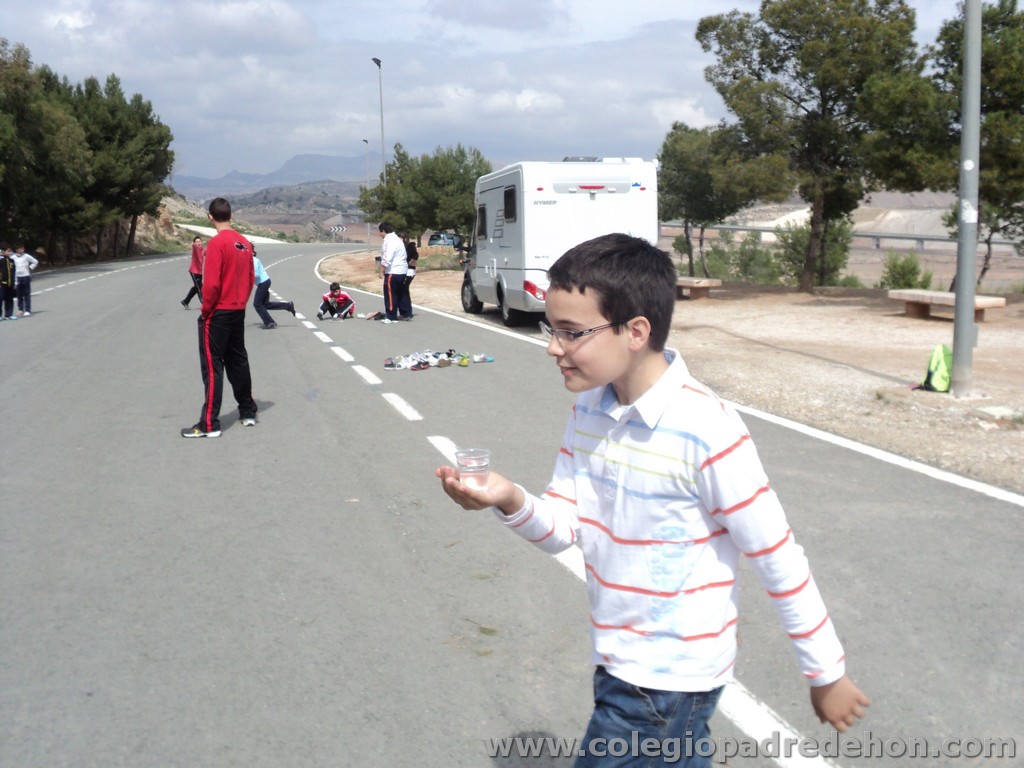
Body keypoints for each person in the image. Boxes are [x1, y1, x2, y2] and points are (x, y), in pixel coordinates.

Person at [435, 233, 869, 768]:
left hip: (667, 682)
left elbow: (777, 555)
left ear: (636, 331)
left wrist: (826, 673)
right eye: (553, 329)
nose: (552, 347)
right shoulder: (590, 411)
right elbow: (564, 528)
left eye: (571, 332)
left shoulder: (706, 429)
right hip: (618, 660)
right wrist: (507, 498)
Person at [181, 198, 258, 438]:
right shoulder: (244, 243)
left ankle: (209, 423)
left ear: (210, 217)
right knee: (238, 360)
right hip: (238, 309)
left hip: (218, 312)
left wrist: (206, 311)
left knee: (213, 365)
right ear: (231, 215)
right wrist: (240, 302)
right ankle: (247, 411)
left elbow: (212, 284)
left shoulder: (216, 243)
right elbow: (250, 278)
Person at [252, 253, 296, 329]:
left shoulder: (254, 260)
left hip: (263, 282)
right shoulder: (250, 261)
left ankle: (270, 322)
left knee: (257, 304)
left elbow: (256, 275)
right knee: (265, 305)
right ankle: (288, 306)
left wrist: (246, 274)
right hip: (263, 283)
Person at [377, 222, 409, 323]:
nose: (380, 235)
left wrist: (382, 270)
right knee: (401, 293)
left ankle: (391, 316)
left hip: (393, 271)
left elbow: (387, 257)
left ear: (383, 231)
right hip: (402, 271)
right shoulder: (397, 239)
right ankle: (405, 313)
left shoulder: (389, 240)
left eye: (380, 232)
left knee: (390, 294)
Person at [11, 244, 39, 316]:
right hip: (17, 277)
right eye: (20, 249)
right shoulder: (13, 257)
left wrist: (30, 267)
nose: (22, 250)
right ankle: (20, 309)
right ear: (16, 250)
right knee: (19, 294)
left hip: (25, 276)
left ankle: (27, 310)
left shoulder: (26, 256)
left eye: (23, 249)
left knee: (26, 293)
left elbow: (35, 261)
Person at [181, 236, 205, 308]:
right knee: (199, 287)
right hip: (194, 271)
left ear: (202, 242)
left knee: (196, 287)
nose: (198, 243)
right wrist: (193, 245)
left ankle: (185, 301)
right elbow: (194, 248)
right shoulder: (195, 249)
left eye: (199, 241)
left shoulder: (203, 249)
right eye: (197, 242)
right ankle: (204, 303)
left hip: (200, 272)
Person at [400, 232, 419, 320]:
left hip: (409, 271)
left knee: (403, 290)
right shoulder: (400, 246)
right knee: (404, 290)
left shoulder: (410, 245)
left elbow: (416, 255)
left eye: (401, 238)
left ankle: (407, 312)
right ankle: (406, 311)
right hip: (404, 271)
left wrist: (409, 263)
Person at [0, 243, 16, 320]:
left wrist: (14, 283)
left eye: (10, 251)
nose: (9, 252)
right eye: (8, 251)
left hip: (10, 284)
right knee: (0, 299)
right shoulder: (1, 260)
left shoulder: (11, 261)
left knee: (9, 299)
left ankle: (9, 315)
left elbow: (14, 272)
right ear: (3, 251)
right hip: (2, 284)